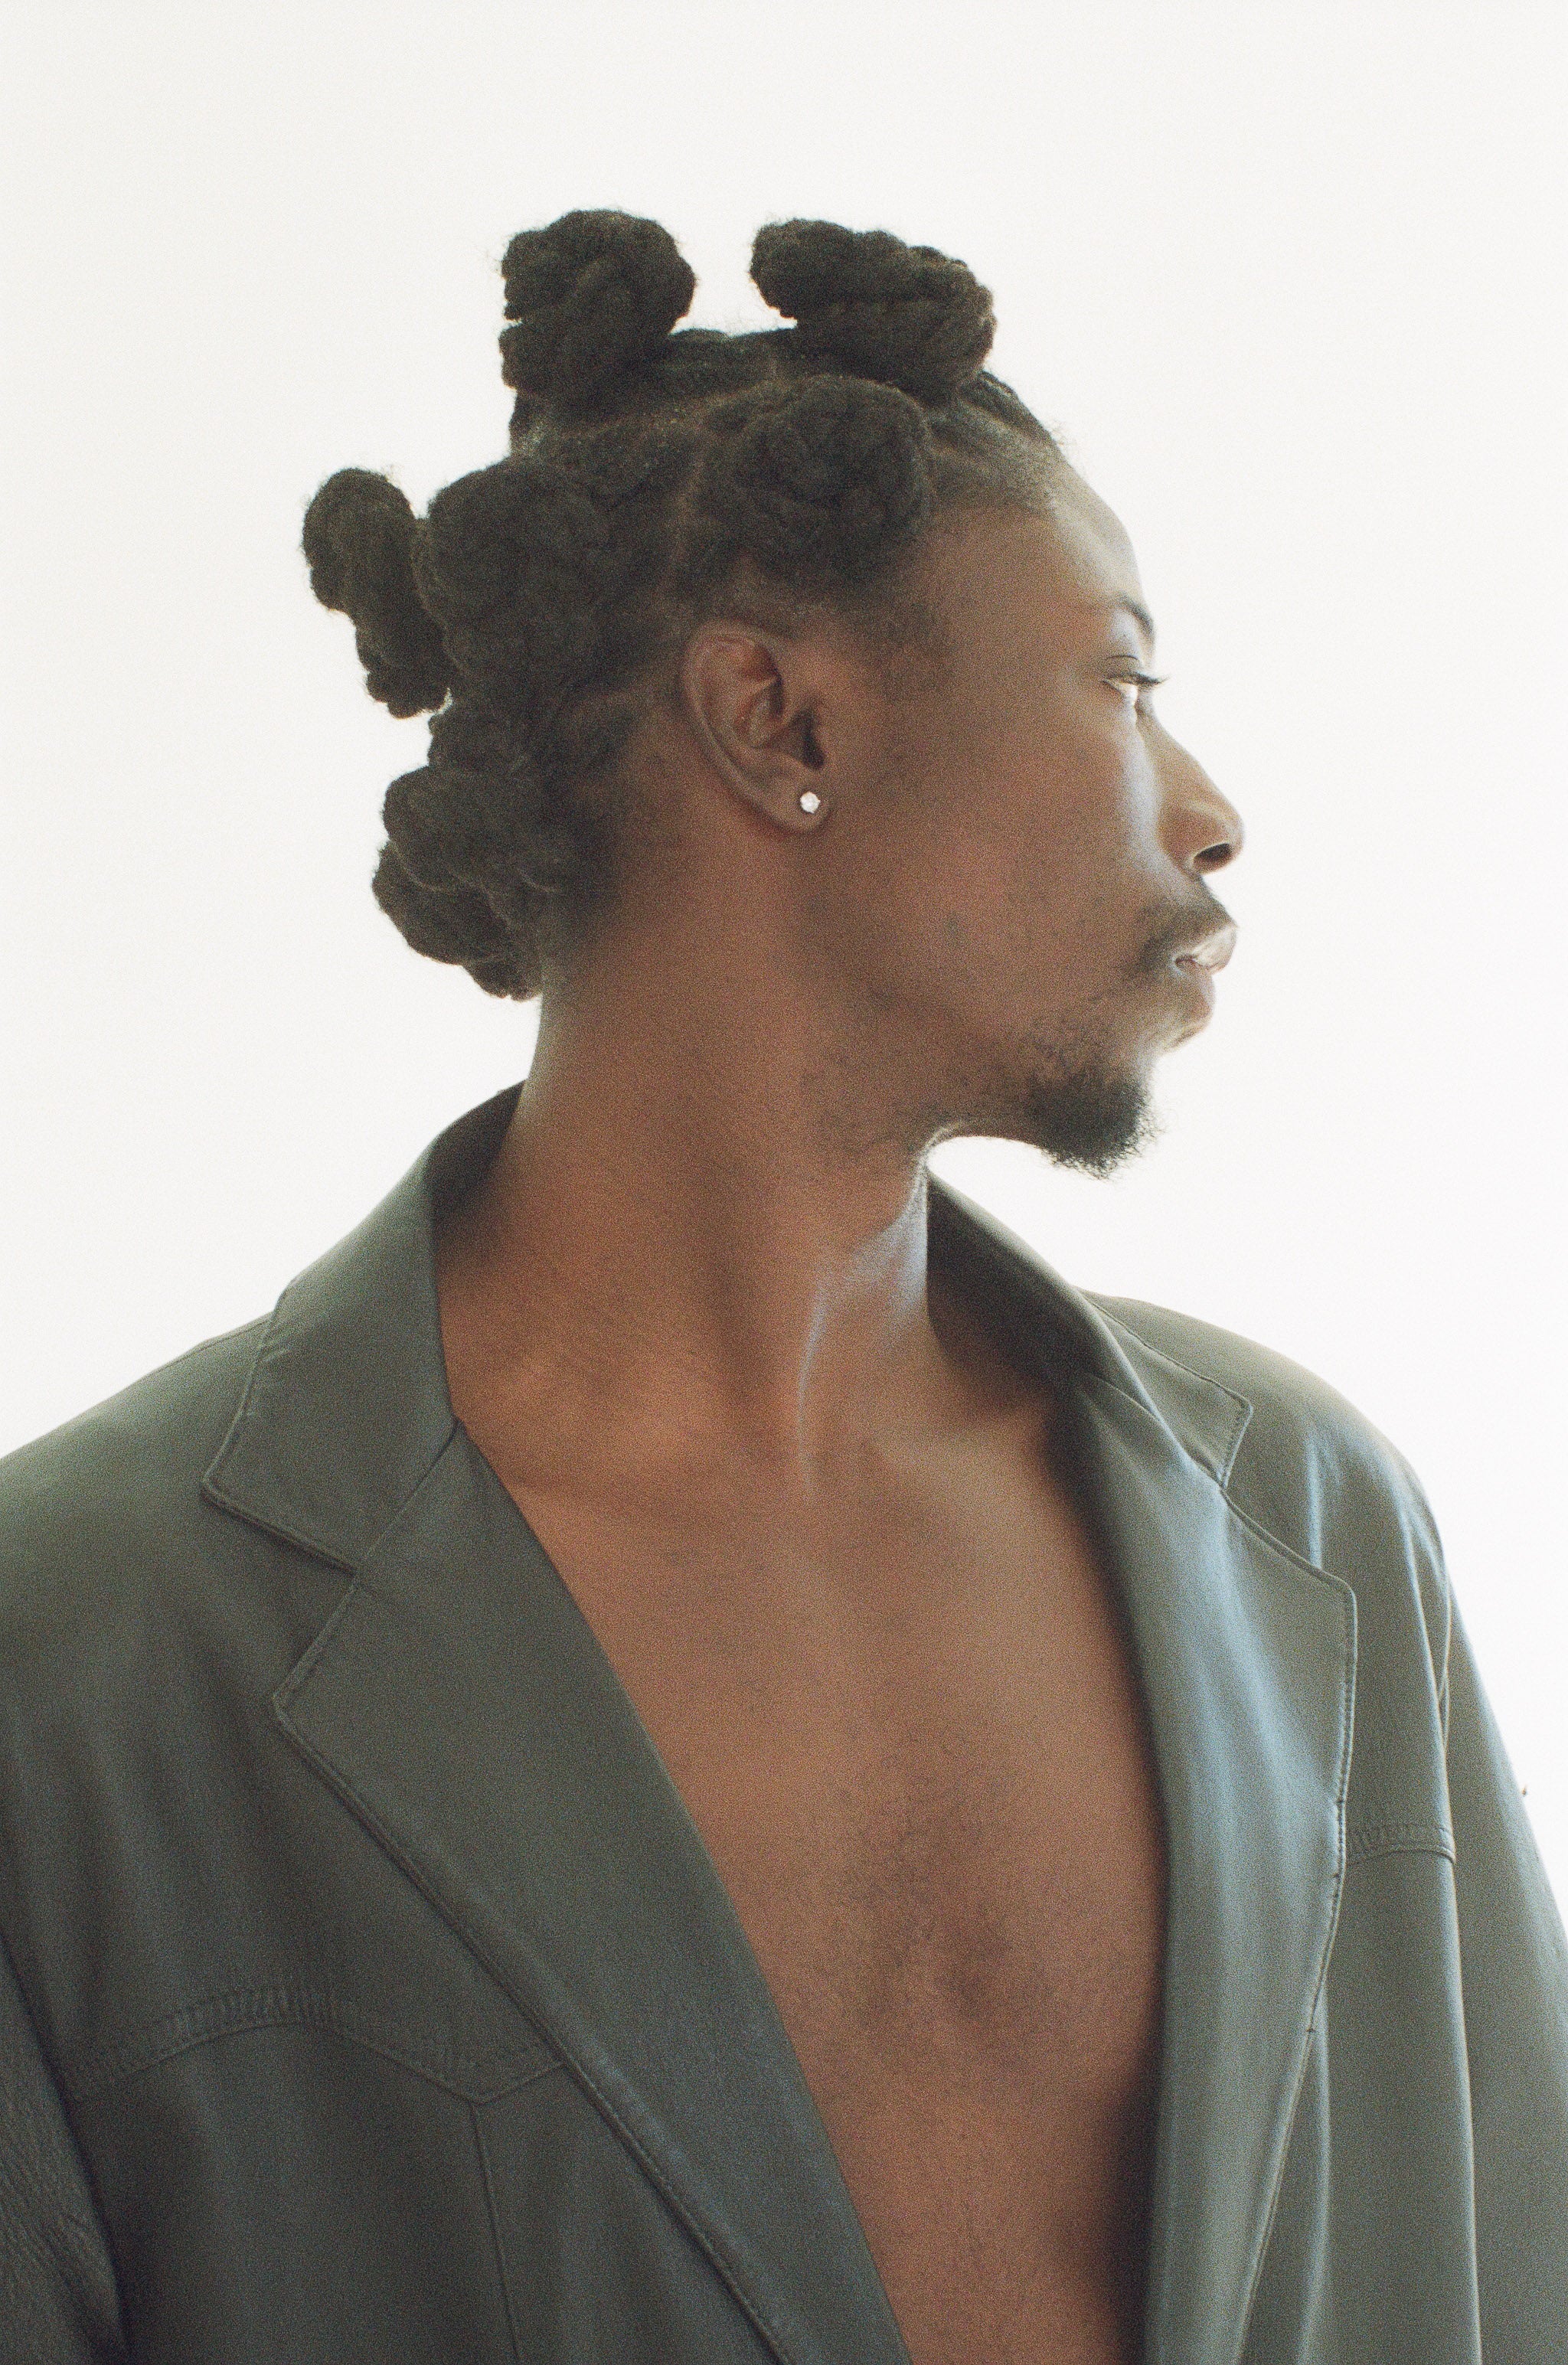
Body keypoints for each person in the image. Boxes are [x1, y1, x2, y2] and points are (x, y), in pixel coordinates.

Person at [0, 210, 1563, 2365]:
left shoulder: (1318, 1529)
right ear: (778, 714)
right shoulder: (76, 1655)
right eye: (1120, 678)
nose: (1206, 814)